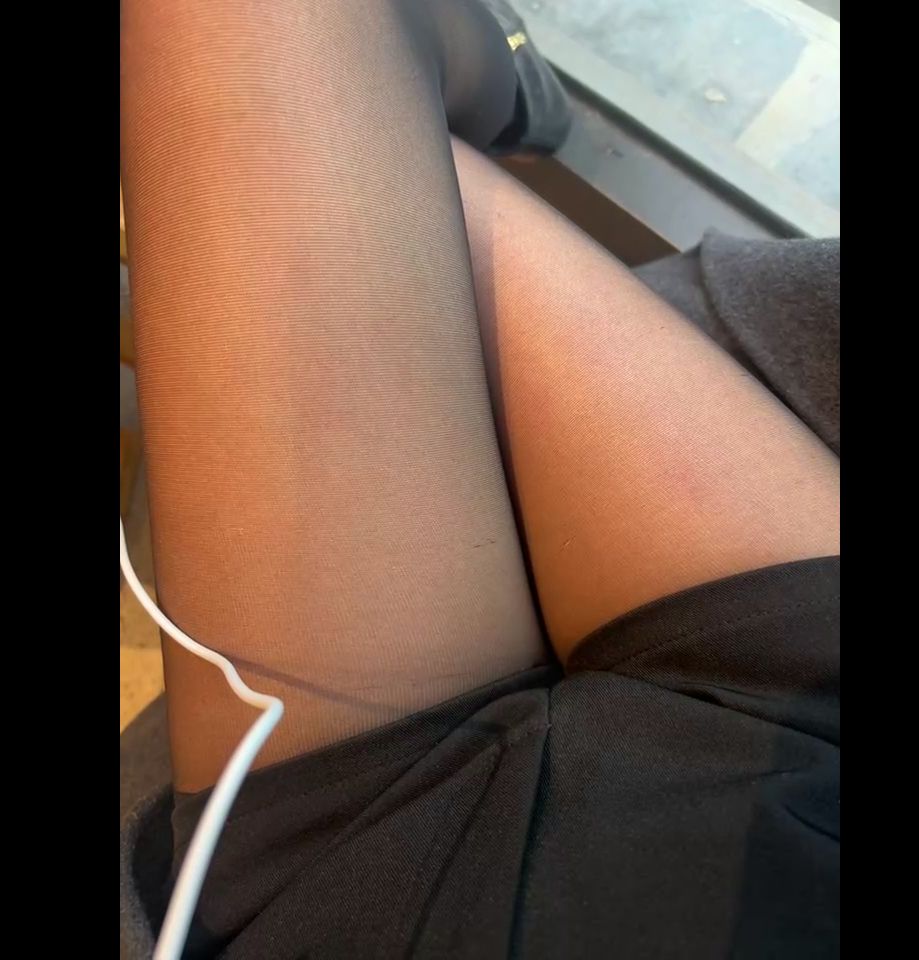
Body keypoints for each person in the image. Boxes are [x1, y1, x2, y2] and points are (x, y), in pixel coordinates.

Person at [119, 0, 840, 956]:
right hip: (795, 730)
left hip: (419, 873)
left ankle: (492, 73)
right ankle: (494, 77)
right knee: (307, 111)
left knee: (280, 82)